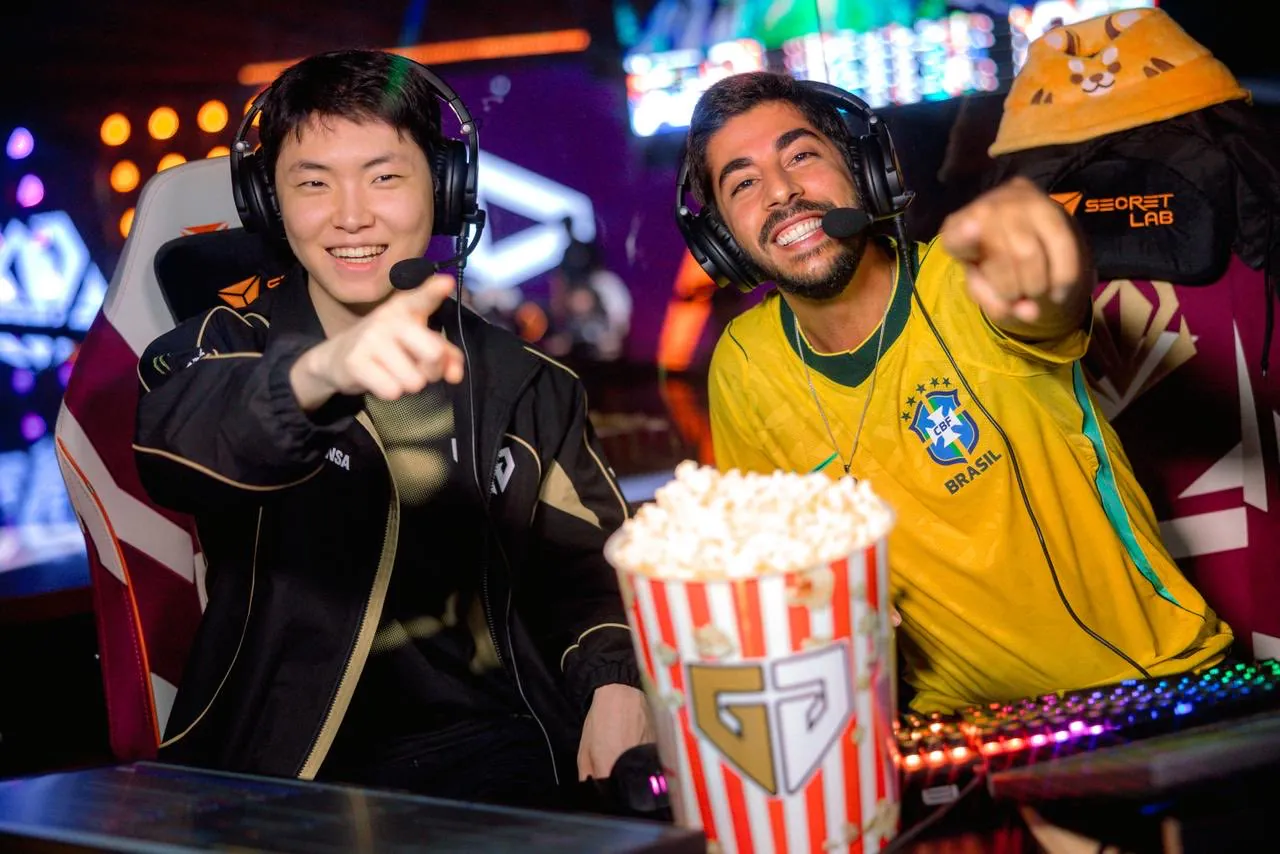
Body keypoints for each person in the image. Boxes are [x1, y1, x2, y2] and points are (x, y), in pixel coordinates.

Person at [133, 49, 650, 808]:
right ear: (270, 203)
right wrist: (319, 374)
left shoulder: (526, 384)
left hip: (507, 756)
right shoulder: (217, 346)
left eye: (383, 177)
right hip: (285, 769)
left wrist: (616, 682)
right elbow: (177, 441)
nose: (351, 215)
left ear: (443, 191)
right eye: (313, 182)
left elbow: (591, 573)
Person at [679, 70, 1233, 714]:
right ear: (721, 239)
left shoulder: (964, 280)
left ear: (864, 171)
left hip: (1145, 687)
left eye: (800, 155)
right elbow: (778, 573)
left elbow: (1044, 298)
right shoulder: (745, 364)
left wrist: (1043, 245)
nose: (782, 192)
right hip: (950, 721)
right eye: (744, 183)